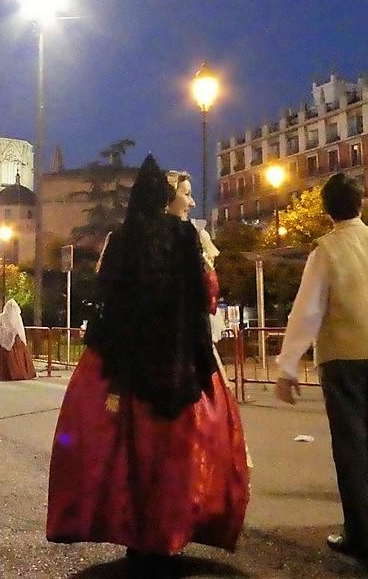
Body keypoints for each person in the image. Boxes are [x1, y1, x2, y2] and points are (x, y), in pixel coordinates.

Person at [47, 156, 250, 564]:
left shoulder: (122, 238)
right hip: (179, 360)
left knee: (126, 450)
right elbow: (198, 299)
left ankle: (134, 529)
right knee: (178, 450)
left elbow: (107, 299)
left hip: (126, 363)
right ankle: (172, 527)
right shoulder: (184, 237)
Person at [274, 173, 368, 564]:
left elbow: (308, 311)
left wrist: (288, 366)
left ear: (327, 210)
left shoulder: (326, 250)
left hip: (343, 355)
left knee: (350, 445)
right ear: (361, 203)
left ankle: (360, 535)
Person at [0, 298, 36, 381]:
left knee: (4, 356)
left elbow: (1, 329)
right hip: (17, 339)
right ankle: (21, 372)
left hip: (4, 339)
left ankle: (3, 374)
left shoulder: (2, 316)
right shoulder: (17, 317)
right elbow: (19, 329)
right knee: (19, 357)